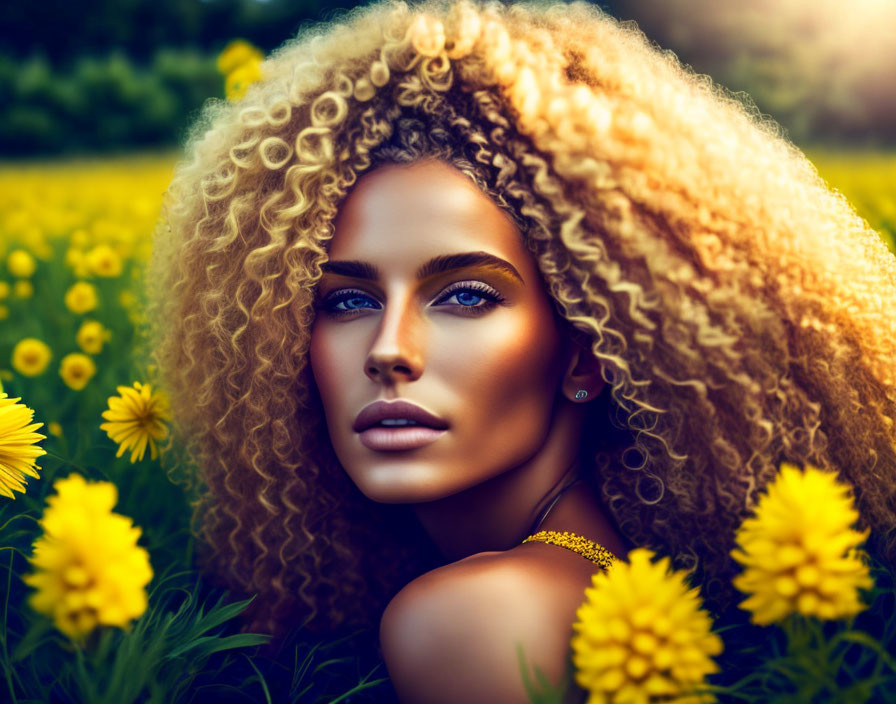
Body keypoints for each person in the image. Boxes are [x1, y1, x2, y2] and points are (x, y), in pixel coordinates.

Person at [147, 0, 896, 701]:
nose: (388, 350)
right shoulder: (592, 583)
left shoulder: (474, 621)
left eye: (466, 295)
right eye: (347, 300)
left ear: (587, 354)